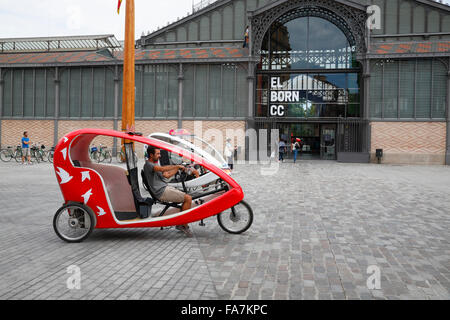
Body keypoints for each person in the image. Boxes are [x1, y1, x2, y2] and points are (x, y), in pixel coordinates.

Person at [144, 146, 199, 237]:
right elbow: (162, 169)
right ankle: (183, 225)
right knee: (188, 198)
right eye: (157, 154)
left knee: (186, 197)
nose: (160, 155)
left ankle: (180, 222)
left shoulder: (155, 164)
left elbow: (167, 175)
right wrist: (176, 166)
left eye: (159, 153)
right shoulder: (149, 165)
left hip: (164, 188)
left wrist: (177, 169)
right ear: (151, 155)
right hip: (161, 192)